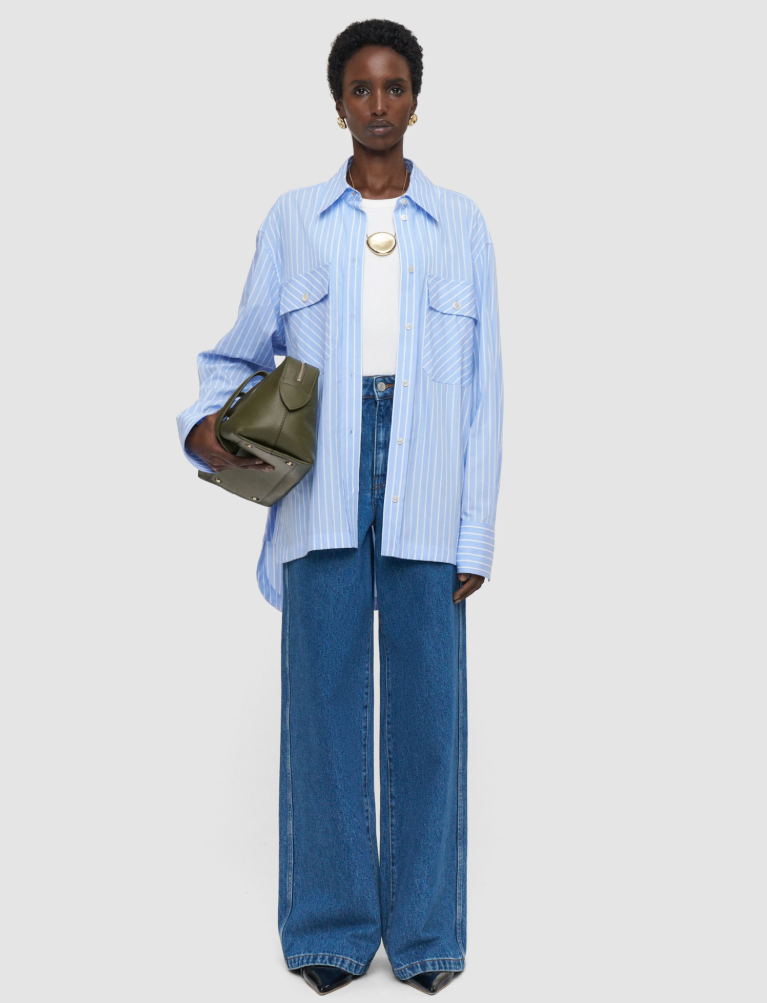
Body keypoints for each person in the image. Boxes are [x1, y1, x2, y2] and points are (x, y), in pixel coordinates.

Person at [177, 19, 503, 996]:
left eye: (393, 86)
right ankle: (328, 929)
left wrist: (475, 529)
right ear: (337, 104)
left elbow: (484, 392)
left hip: (428, 482)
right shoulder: (293, 220)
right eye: (360, 88)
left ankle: (426, 936)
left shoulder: (462, 224)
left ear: (415, 100)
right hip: (321, 479)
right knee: (322, 706)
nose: (377, 104)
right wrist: (203, 427)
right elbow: (234, 354)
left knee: (429, 717)